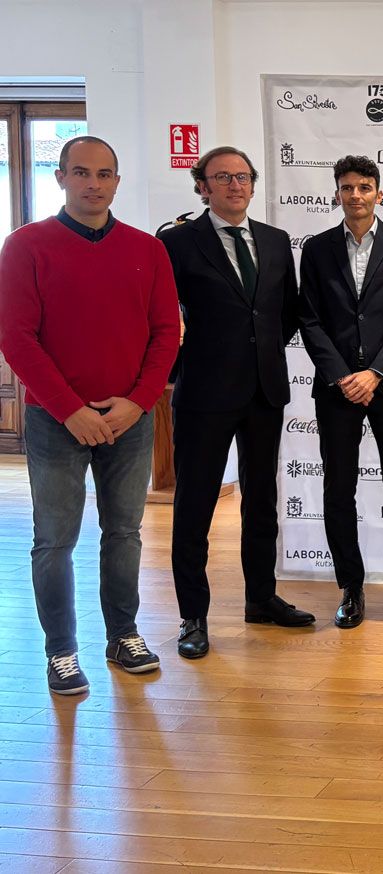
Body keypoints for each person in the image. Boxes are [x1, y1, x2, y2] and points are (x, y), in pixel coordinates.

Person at [0, 135, 178, 693]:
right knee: (55, 539)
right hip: (57, 422)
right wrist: (70, 410)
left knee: (123, 533)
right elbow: (16, 337)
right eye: (81, 172)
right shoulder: (26, 246)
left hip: (129, 419)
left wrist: (139, 401)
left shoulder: (147, 249)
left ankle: (122, 634)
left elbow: (165, 331)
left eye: (104, 174)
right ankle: (61, 651)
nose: (93, 183)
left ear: (117, 182)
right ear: (61, 177)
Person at [160, 145, 310, 660]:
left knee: (262, 501)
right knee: (195, 505)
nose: (235, 186)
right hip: (204, 392)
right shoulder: (177, 242)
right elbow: (161, 322)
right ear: (202, 186)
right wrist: (180, 371)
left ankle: (261, 598)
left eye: (243, 177)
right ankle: (193, 616)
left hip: (264, 390)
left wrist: (260, 353)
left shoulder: (273, 240)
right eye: (222, 178)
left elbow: (285, 313)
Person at [297, 155, 383, 631]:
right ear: (337, 193)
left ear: (379, 192)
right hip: (336, 390)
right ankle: (351, 589)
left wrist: (375, 374)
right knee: (338, 490)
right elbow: (309, 320)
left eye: (365, 187)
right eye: (347, 187)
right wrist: (342, 376)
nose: (356, 195)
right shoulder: (316, 249)